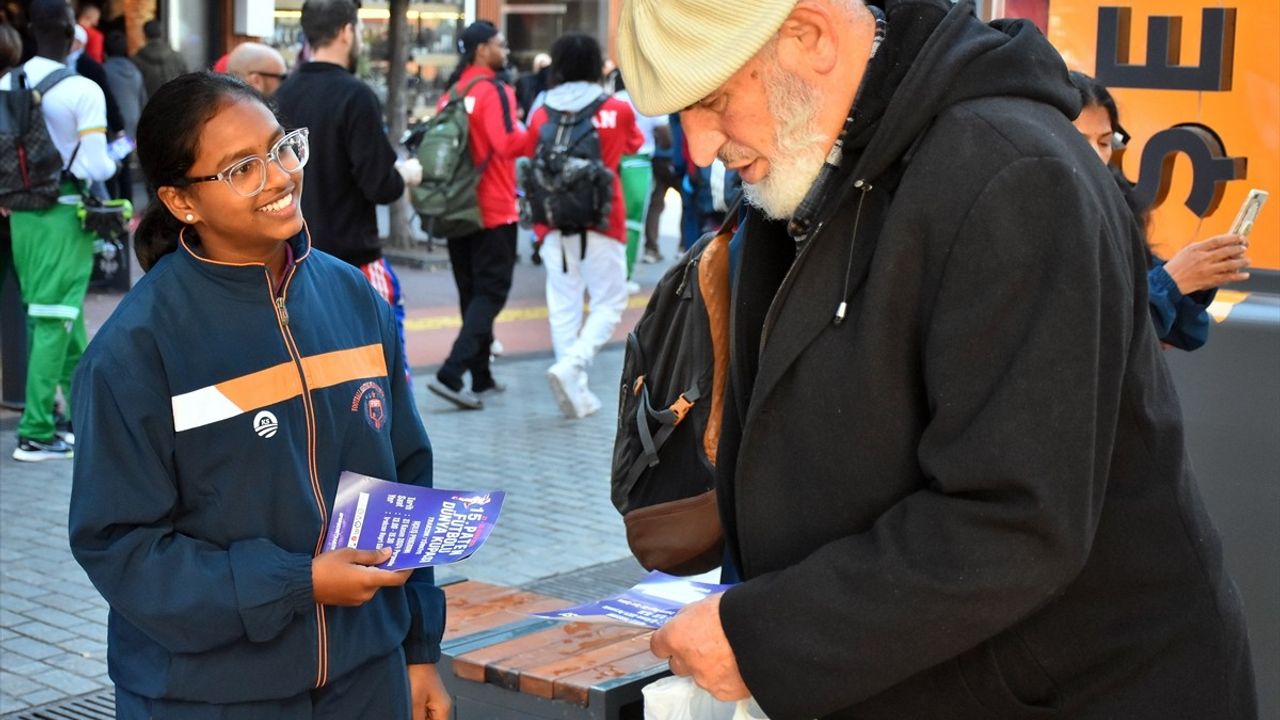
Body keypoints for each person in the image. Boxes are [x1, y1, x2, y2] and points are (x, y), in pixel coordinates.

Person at [616, 0, 1257, 718]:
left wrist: (768, 635)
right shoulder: (823, 158)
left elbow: (1014, 516)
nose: (698, 146)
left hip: (1072, 688)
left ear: (810, 36)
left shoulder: (1012, 173)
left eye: (714, 100)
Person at [68, 71, 452, 720]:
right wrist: (298, 582)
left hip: (368, 675)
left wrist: (417, 650)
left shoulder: (354, 298)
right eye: (242, 168)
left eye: (281, 148)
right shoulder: (136, 350)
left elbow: (405, 479)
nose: (278, 177)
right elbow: (121, 545)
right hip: (208, 695)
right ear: (180, 201)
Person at [275, 0, 422, 382]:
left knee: (319, 381)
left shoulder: (283, 95)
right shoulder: (356, 96)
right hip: (354, 264)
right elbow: (380, 185)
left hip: (296, 264)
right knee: (384, 375)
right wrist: (405, 174)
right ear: (346, 31)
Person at [3, 0, 116, 461]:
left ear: (32, 29)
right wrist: (117, 156)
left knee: (55, 318)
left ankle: (75, 419)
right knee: (53, 320)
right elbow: (93, 164)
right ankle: (34, 431)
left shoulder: (7, 81)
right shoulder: (83, 89)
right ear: (73, 33)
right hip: (65, 215)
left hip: (23, 216)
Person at [1068, 71, 1249, 351]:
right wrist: (1171, 282)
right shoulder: (1035, 213)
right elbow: (1092, 334)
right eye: (1080, 141)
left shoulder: (1117, 206)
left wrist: (1198, 277)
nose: (1096, 155)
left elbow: (1189, 332)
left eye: (1104, 142)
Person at [522, 33, 642, 419]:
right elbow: (635, 145)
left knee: (564, 305)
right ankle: (573, 368)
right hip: (603, 220)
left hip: (553, 223)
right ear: (596, 65)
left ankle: (574, 387)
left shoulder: (541, 111)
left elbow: (527, 149)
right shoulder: (616, 108)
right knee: (610, 302)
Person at [425, 21, 524, 410]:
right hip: (494, 206)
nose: (505, 50)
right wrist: (539, 131)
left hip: (455, 206)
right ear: (482, 49)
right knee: (492, 292)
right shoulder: (495, 89)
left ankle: (481, 376)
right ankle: (452, 372)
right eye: (499, 43)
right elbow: (507, 143)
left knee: (472, 293)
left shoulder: (451, 92)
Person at [102, 29, 143, 201]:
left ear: (105, 51)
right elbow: (142, 98)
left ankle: (113, 208)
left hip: (112, 127)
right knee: (125, 169)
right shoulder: (135, 71)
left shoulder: (103, 71)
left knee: (111, 171)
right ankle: (129, 207)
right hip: (132, 124)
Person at [131, 19, 186, 97]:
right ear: (161, 33)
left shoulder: (136, 61)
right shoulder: (177, 56)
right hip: (175, 104)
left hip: (150, 106)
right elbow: (187, 83)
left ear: (144, 35)